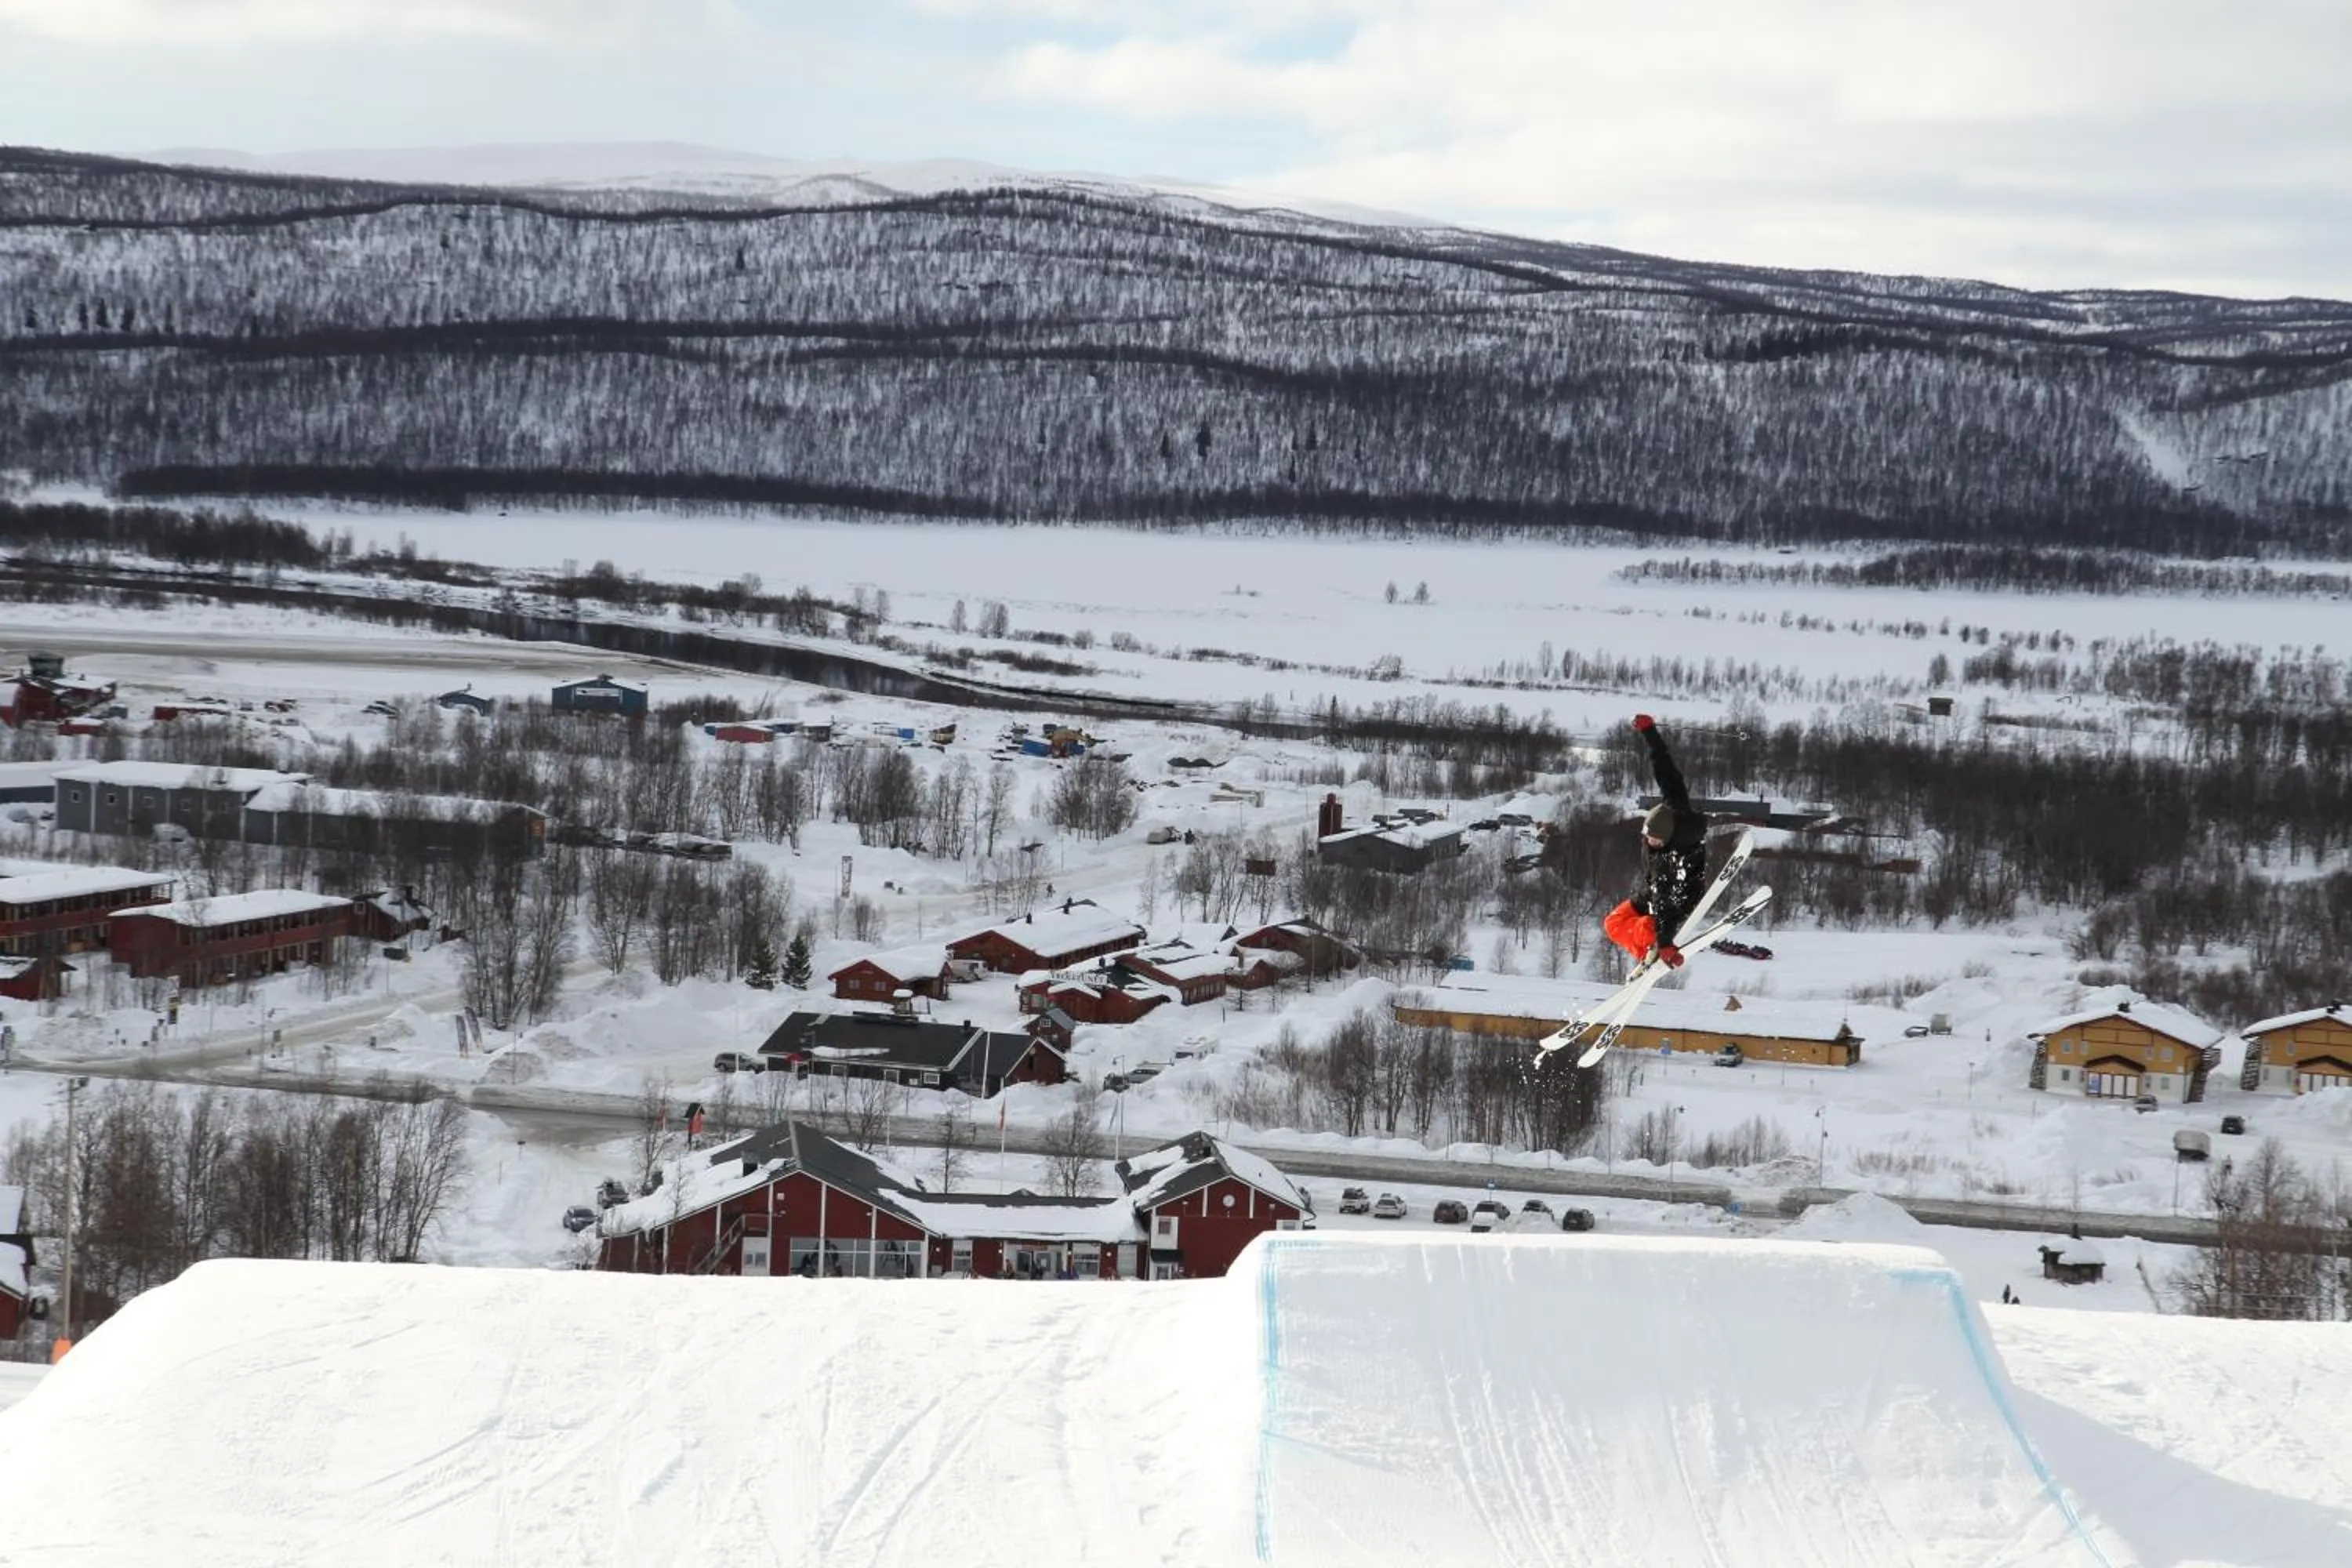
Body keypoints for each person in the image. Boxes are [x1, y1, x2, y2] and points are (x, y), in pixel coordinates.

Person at [1602, 714, 1710, 969]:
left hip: (1679, 899)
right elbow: (1664, 767)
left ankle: (1653, 945)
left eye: (1657, 841)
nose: (1652, 844)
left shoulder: (1668, 860)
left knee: (1645, 924)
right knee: (1613, 923)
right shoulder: (1675, 806)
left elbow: (1666, 902)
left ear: (1670, 837)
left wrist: (1666, 943)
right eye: (1648, 838)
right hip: (1654, 895)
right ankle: (1645, 952)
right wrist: (1650, 732)